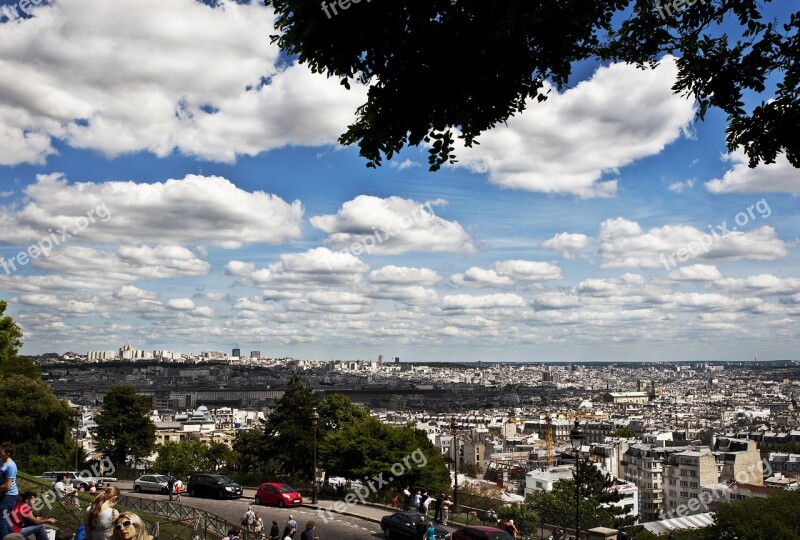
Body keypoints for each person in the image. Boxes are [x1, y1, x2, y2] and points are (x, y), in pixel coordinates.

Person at [0, 443, 19, 539]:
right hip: (3, 494)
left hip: (10, 495)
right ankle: (14, 537)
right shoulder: (1, 461)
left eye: (1, 452)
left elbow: (7, 485)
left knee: (1, 519)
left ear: (7, 453)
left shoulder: (11, 466)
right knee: (5, 519)